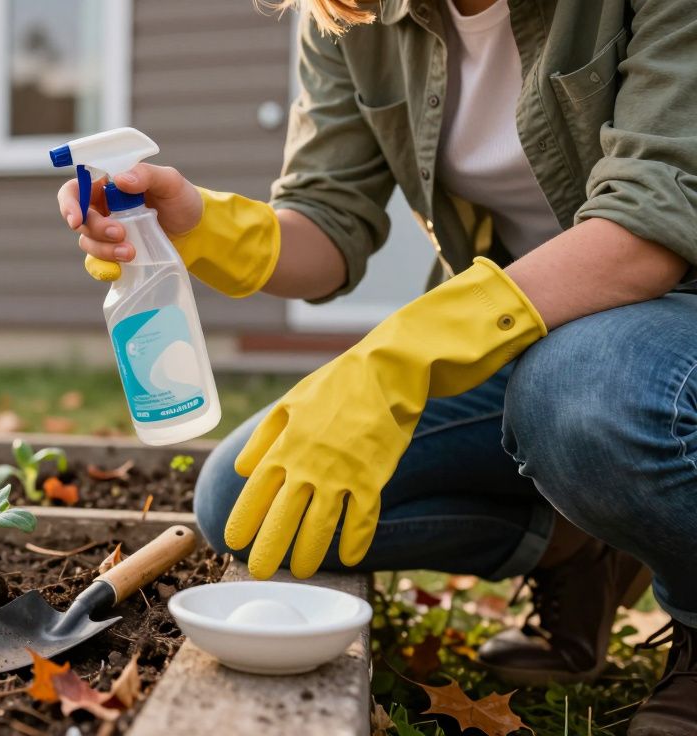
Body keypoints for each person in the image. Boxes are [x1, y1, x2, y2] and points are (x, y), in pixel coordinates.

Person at [56, 0, 697, 732]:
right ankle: (574, 542)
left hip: (664, 327)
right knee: (245, 498)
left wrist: (402, 356)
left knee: (587, 391)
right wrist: (198, 221)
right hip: (528, 331)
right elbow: (330, 218)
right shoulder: (358, 12)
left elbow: (652, 221)